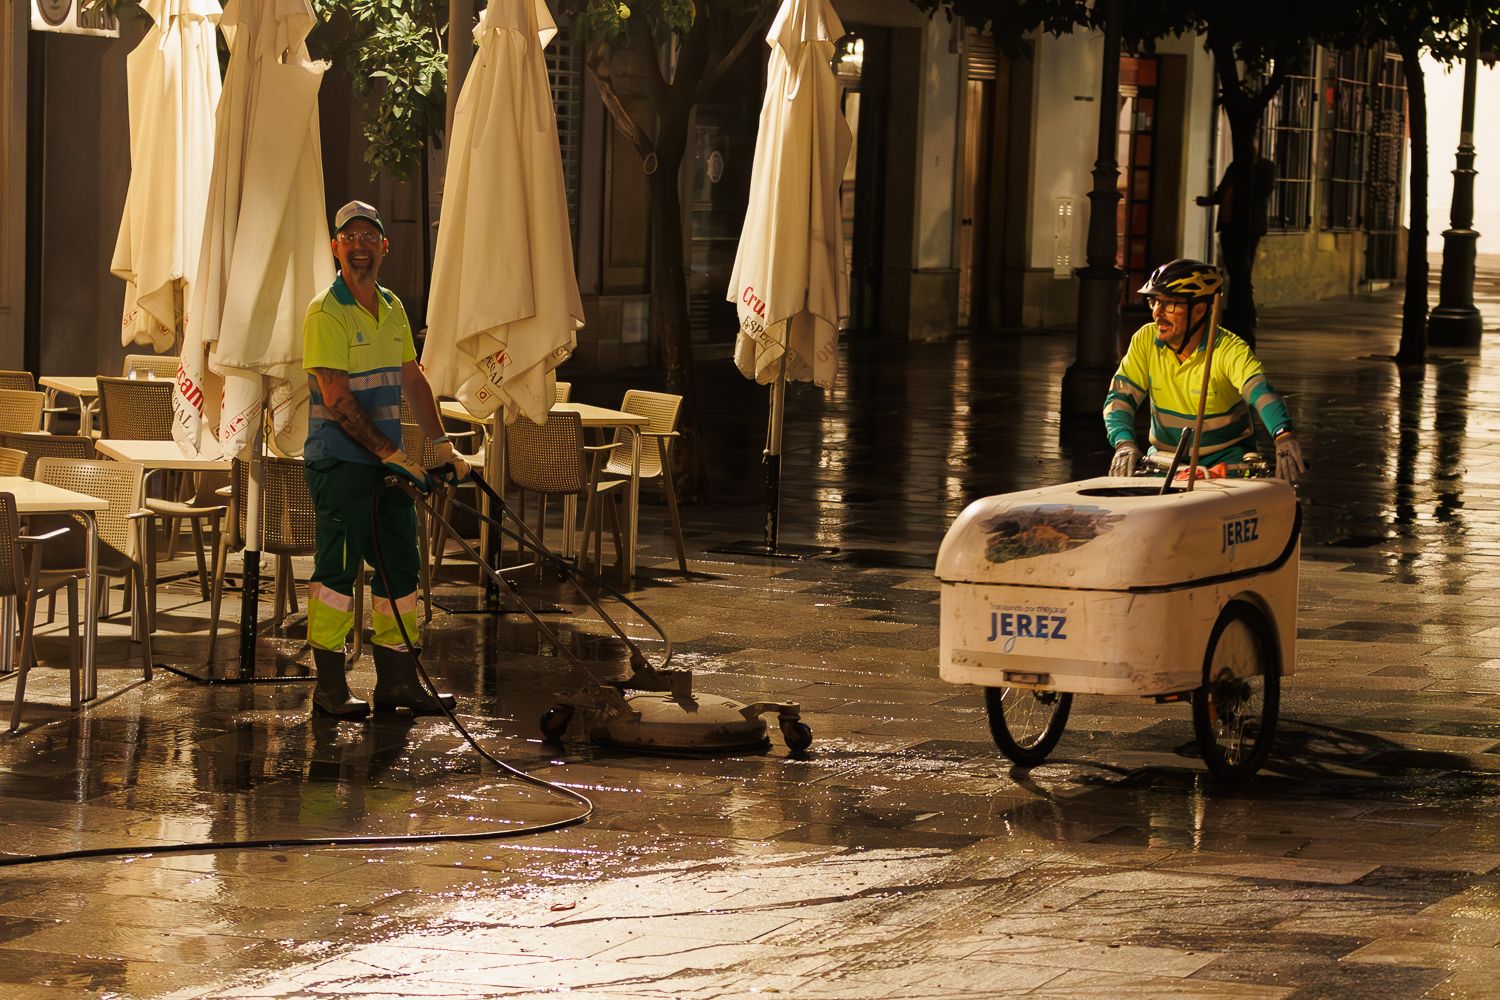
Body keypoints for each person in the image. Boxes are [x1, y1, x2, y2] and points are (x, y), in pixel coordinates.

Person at [302, 200, 470, 719]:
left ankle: (397, 680)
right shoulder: (324, 312)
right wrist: (393, 453)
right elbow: (338, 400)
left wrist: (441, 444)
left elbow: (412, 378)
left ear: (384, 246)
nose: (359, 245)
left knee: (400, 567)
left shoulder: (393, 307)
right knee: (337, 574)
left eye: (368, 236)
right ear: (336, 248)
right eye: (349, 237)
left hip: (385, 467)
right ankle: (329, 687)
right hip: (340, 464)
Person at [1103, 258, 1305, 482]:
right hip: (1165, 462)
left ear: (1199, 310)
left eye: (1169, 304)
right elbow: (1119, 399)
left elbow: (1261, 393)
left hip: (1226, 464)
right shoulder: (1145, 340)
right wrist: (1124, 443)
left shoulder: (1230, 349)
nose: (1157, 313)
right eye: (1154, 302)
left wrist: (1283, 436)